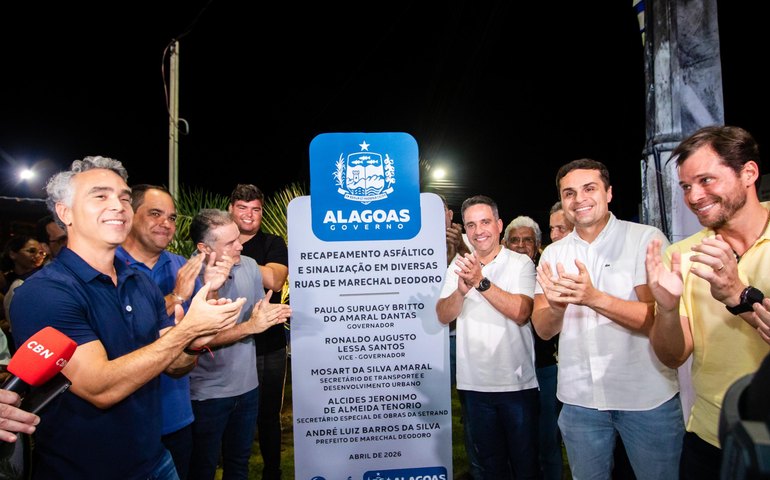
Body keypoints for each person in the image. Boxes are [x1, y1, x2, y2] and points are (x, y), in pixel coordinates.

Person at [9, 156, 246, 479]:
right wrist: (186, 330)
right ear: (65, 213)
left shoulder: (139, 282)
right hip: (85, 470)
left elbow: (174, 367)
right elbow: (100, 388)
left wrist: (192, 343)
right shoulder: (45, 293)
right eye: (100, 195)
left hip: (155, 460)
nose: (119, 205)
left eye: (123, 197)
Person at [532, 158, 683, 480]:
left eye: (589, 188)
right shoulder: (553, 254)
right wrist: (557, 308)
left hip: (646, 398)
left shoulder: (645, 240)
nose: (579, 199)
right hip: (579, 401)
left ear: (609, 193)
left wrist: (593, 297)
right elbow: (543, 330)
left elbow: (657, 318)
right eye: (569, 193)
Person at [644, 125, 770, 479]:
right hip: (708, 438)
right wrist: (666, 309)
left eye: (706, 180)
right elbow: (672, 356)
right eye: (686, 186)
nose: (694, 196)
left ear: (748, 172)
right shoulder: (682, 255)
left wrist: (737, 295)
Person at [436, 195, 539, 479]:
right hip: (474, 387)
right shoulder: (458, 265)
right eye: (471, 224)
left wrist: (480, 282)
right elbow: (443, 315)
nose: (478, 230)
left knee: (525, 467)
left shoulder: (520, 263)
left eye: (485, 222)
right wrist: (459, 291)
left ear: (499, 225)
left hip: (517, 386)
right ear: (465, 230)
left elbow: (521, 311)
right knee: (487, 468)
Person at [188, 208, 292, 480]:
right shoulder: (185, 276)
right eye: (231, 242)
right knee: (203, 467)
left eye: (238, 238)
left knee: (238, 464)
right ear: (203, 247)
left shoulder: (247, 265)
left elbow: (256, 316)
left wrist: (266, 317)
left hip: (248, 388)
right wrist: (250, 325)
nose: (240, 245)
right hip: (205, 394)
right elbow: (198, 339)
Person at [116, 184, 210, 479]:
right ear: (129, 215)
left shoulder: (182, 265)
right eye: (155, 214)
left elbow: (196, 332)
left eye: (171, 217)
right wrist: (176, 297)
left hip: (176, 412)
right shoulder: (109, 265)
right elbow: (122, 333)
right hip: (124, 419)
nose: (166, 224)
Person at [228, 184, 289, 480]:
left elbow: (276, 281)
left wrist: (233, 256)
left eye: (255, 209)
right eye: (242, 208)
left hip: (269, 344)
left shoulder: (272, 242)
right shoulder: (220, 239)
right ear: (231, 209)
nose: (249, 215)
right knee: (229, 414)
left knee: (268, 416)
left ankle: (272, 472)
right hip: (228, 344)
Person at [503, 215, 562, 480]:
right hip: (508, 371)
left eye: (527, 240)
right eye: (514, 240)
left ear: (538, 245)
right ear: (505, 243)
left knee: (548, 438)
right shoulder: (496, 274)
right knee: (513, 440)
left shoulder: (548, 273)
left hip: (545, 369)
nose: (520, 245)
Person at [440, 195, 478, 480]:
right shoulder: (413, 242)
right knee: (427, 406)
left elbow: (485, 277)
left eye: (437, 211)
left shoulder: (473, 236)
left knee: (473, 408)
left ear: (450, 215)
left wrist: (460, 247)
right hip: (430, 338)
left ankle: (478, 466)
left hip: (463, 336)